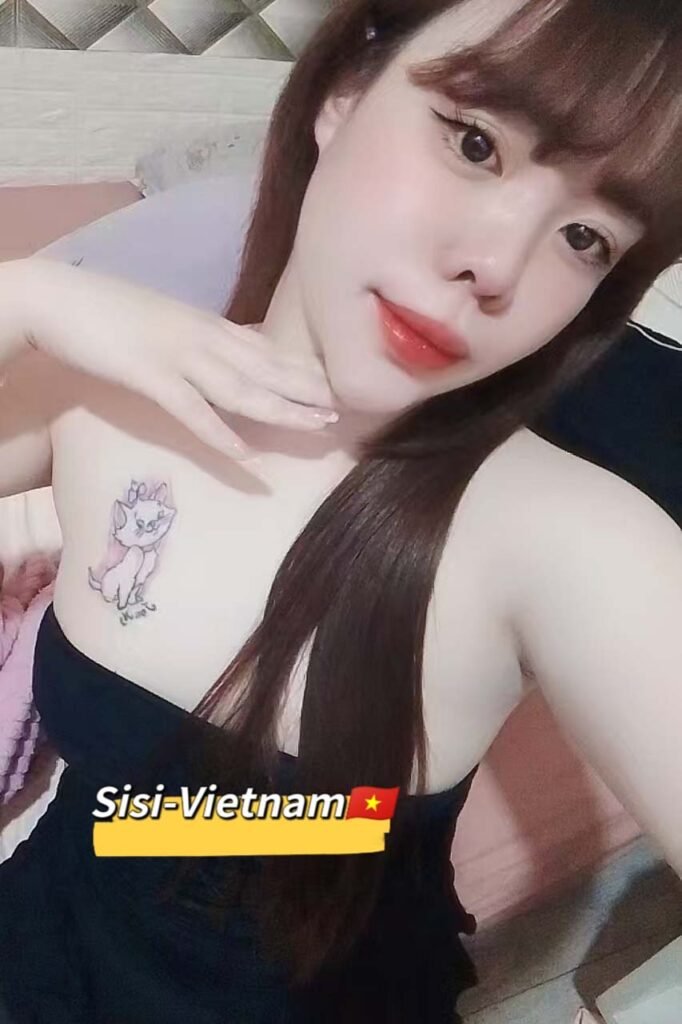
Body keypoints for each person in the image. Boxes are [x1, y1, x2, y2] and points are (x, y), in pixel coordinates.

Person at [0, 0, 680, 1020]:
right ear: (342, 93)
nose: (495, 265)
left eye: (584, 237)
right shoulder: (99, 396)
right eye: (475, 143)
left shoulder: (567, 538)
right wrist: (26, 299)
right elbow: (131, 817)